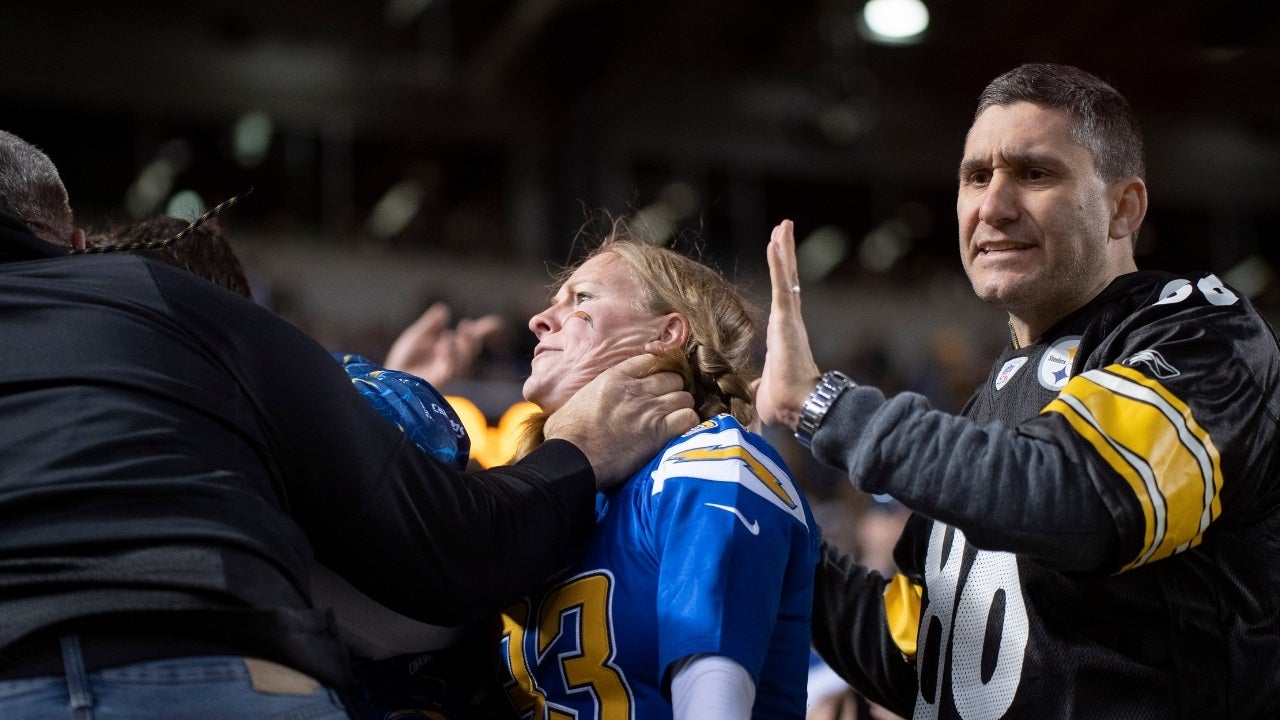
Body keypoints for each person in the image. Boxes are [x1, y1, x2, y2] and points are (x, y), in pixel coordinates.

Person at [0, 129, 699, 719]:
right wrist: (577, 450)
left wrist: (388, 394)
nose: (543, 318)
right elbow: (445, 546)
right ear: (76, 244)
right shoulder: (161, 303)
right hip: (212, 667)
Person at [755, 63, 1280, 719]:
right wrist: (761, 523)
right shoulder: (989, 407)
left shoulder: (1204, 338)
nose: (993, 206)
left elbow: (1084, 496)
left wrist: (825, 406)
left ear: (1124, 208)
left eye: (1034, 173)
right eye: (976, 176)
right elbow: (919, 650)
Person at [496, 219, 821, 719]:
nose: (540, 319)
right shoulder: (554, 490)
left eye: (581, 298)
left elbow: (714, 707)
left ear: (666, 333)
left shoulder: (709, 465)